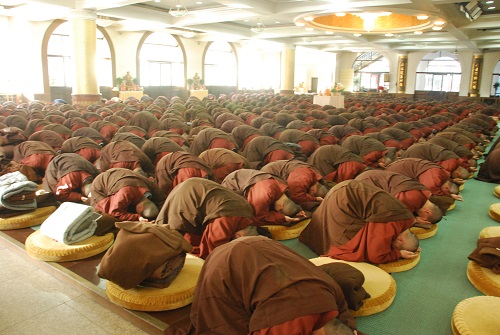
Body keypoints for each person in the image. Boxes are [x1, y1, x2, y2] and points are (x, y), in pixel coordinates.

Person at [169, 236, 358, 335]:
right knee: (225, 323)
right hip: (222, 264)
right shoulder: (289, 324)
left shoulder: (333, 294)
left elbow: (343, 321)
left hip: (263, 245)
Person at [300, 180, 419, 264]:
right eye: (397, 247)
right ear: (401, 240)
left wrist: (410, 246)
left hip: (346, 187)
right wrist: (398, 254)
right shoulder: (393, 222)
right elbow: (376, 255)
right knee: (347, 247)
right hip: (345, 199)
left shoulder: (406, 218)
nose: (393, 247)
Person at [156, 178, 256, 259]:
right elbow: (214, 253)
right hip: (188, 198)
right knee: (190, 247)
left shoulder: (247, 210)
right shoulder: (228, 219)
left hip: (193, 189)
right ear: (240, 235)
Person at [355, 169, 443, 226]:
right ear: (428, 212)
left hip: (371, 175)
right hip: (364, 184)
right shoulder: (412, 198)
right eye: (423, 218)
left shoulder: (424, 193)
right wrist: (414, 221)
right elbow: (393, 216)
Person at [221, 169, 305, 226]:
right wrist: (282, 218)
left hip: (247, 179)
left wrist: (296, 210)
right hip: (230, 188)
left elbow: (291, 204)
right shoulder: (265, 194)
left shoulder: (285, 189)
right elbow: (259, 217)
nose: (276, 211)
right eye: (279, 211)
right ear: (280, 206)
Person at [91, 168, 165, 222]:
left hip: (121, 177)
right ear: (141, 209)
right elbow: (115, 213)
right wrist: (137, 217)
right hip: (101, 185)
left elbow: (162, 201)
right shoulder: (125, 193)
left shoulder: (153, 188)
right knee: (109, 219)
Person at [261, 159, 329, 209]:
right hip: (267, 176)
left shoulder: (315, 174)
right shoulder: (301, 178)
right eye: (312, 194)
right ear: (313, 191)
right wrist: (315, 199)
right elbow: (296, 197)